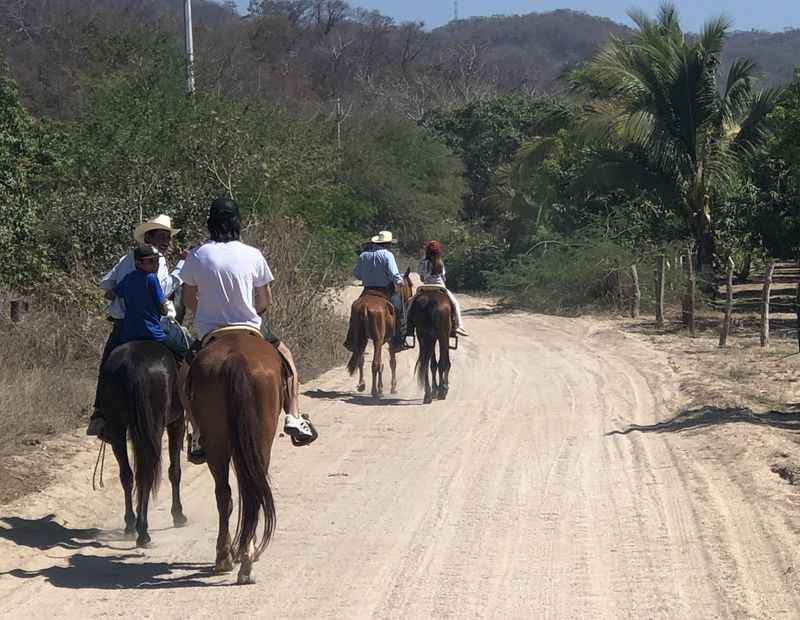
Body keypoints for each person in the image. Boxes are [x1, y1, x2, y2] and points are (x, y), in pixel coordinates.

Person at [180, 197, 317, 462]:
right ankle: (294, 416)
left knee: (185, 376)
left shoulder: (197, 255)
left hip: (211, 331)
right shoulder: (253, 254)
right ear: (237, 222)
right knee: (287, 360)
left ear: (210, 223)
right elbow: (265, 300)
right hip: (249, 325)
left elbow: (187, 300)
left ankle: (197, 431)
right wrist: (252, 314)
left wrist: (207, 315)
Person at [87, 215, 185, 440]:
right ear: (148, 237)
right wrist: (180, 271)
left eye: (168, 237)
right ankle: (192, 406)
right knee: (188, 351)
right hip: (153, 324)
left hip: (123, 326)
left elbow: (106, 284)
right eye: (162, 236)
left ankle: (100, 413)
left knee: (107, 365)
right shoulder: (157, 259)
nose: (166, 242)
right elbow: (161, 287)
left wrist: (117, 293)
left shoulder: (125, 260)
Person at [345, 230, 408, 351]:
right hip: (385, 291)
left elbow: (356, 273)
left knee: (355, 310)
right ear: (386, 243)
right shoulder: (387, 255)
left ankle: (351, 340)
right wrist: (400, 282)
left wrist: (367, 276)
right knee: (400, 310)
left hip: (367, 290)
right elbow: (394, 274)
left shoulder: (363, 255)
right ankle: (399, 341)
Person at [416, 240, 468, 337]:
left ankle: (407, 325)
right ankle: (459, 325)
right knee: (455, 303)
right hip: (440, 286)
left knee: (410, 303)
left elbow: (422, 278)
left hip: (425, 287)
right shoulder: (440, 262)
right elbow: (443, 278)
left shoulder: (422, 262)